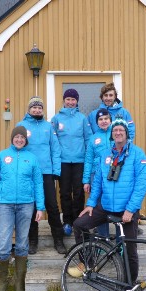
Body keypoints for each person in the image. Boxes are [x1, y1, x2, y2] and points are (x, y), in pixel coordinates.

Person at [69, 117, 146, 283]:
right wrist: (91, 204)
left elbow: (142, 184)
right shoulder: (106, 155)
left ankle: (129, 286)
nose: (118, 132)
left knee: (129, 248)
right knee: (79, 225)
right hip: (105, 206)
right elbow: (98, 181)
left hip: (126, 209)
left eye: (121, 130)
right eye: (115, 131)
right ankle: (88, 263)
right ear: (111, 135)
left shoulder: (137, 154)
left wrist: (131, 209)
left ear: (127, 134)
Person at [0, 126, 45, 291]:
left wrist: (40, 207)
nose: (19, 140)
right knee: (3, 245)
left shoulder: (32, 158)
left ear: (26, 140)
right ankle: (3, 283)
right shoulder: (2, 156)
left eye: (22, 137)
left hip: (26, 205)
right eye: (16, 137)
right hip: (4, 205)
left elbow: (38, 184)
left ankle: (19, 283)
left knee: (21, 244)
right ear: (12, 138)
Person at [17, 96, 67, 254]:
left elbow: (55, 149)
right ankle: (32, 241)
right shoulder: (21, 126)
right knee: (30, 207)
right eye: (34, 107)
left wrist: (56, 171)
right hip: (28, 173)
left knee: (52, 206)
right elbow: (16, 148)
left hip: (46, 173)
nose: (37, 110)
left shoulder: (48, 126)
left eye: (40, 107)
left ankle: (58, 240)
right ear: (29, 109)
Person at [51, 89, 92, 236]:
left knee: (79, 192)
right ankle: (67, 221)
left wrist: (88, 157)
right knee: (65, 192)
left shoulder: (82, 118)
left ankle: (78, 221)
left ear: (77, 101)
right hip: (63, 161)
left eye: (73, 99)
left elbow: (88, 139)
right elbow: (53, 141)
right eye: (68, 99)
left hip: (79, 161)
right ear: (64, 100)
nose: (70, 102)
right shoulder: (56, 119)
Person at [82, 108, 112, 237]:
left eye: (106, 118)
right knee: (99, 206)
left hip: (114, 173)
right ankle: (103, 237)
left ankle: (119, 240)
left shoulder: (116, 133)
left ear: (110, 120)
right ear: (97, 122)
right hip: (97, 175)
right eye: (100, 119)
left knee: (115, 203)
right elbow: (88, 160)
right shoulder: (93, 139)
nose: (103, 121)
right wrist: (86, 180)